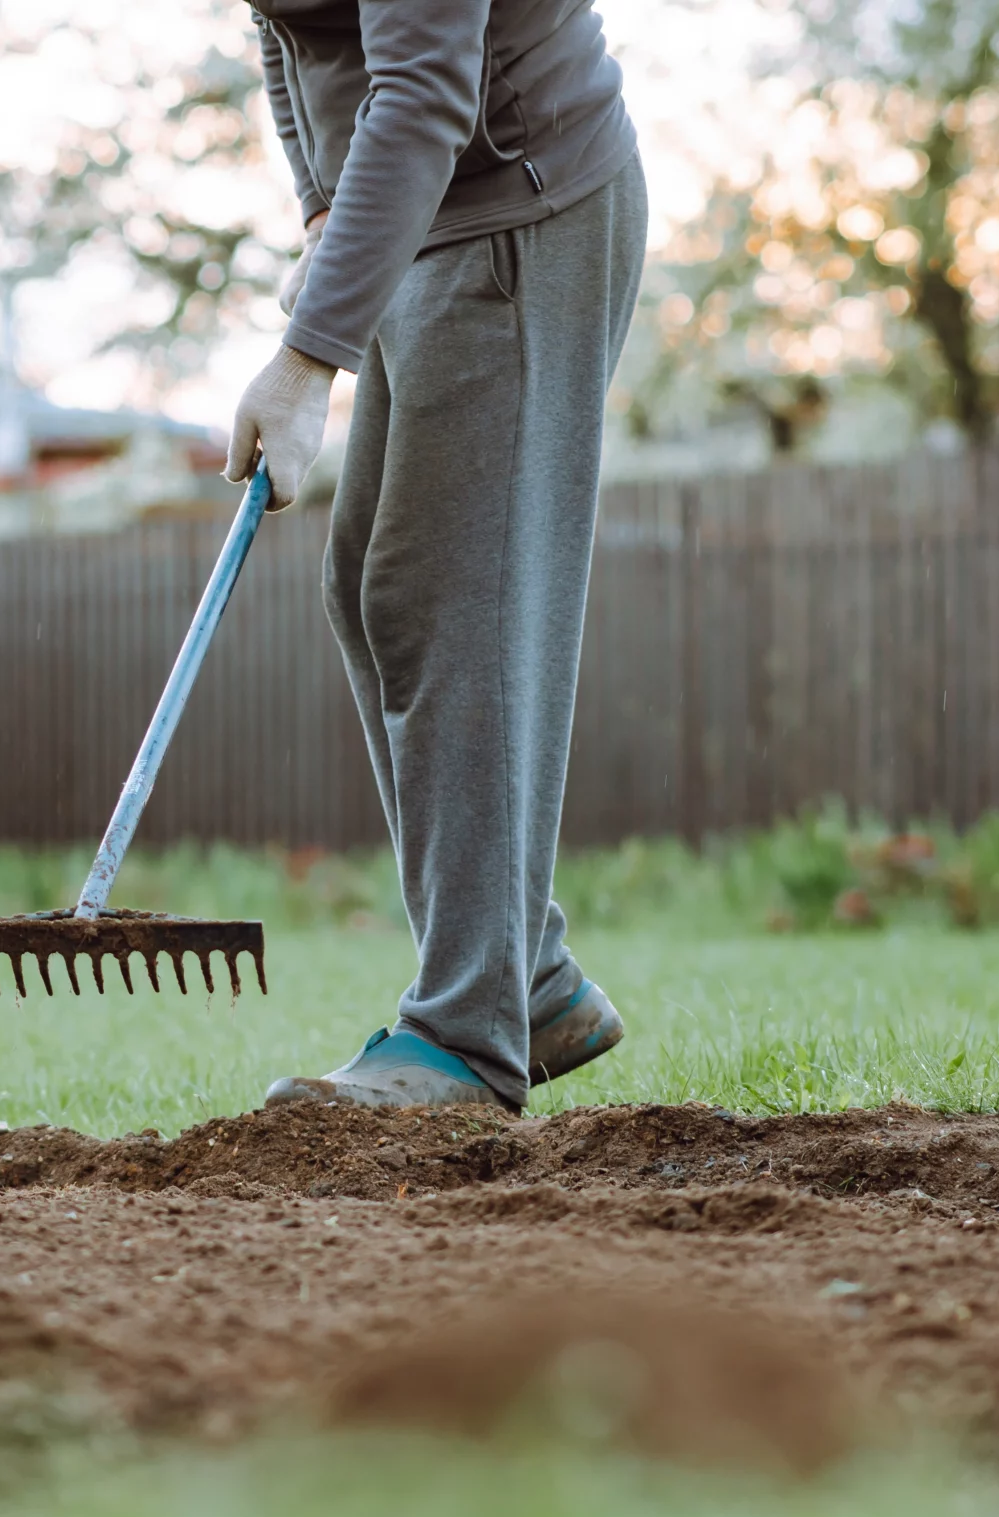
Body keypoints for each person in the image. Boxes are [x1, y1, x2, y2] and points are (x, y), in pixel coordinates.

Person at [229, 0, 647, 1112]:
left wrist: (305, 358)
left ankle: (466, 1034)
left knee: (451, 605)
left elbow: (423, 91)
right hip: (424, 219)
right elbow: (285, 32)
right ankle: (532, 982)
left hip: (520, 206)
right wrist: (322, 208)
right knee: (372, 590)